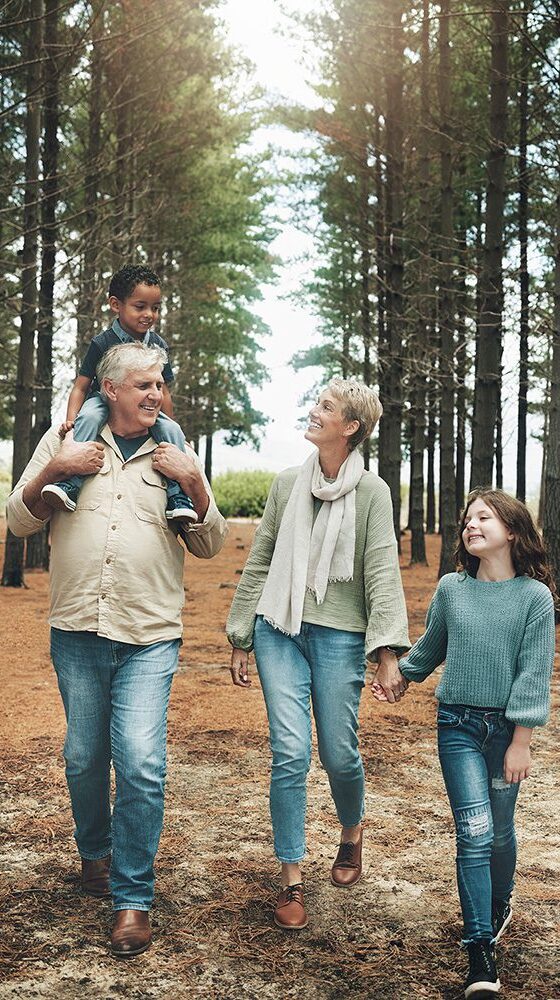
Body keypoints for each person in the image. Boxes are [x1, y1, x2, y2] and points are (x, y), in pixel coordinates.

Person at [6, 342, 228, 958]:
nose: (155, 394)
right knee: (82, 757)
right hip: (75, 628)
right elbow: (18, 521)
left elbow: (209, 546)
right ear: (109, 390)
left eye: (158, 384)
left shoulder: (176, 452)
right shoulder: (66, 440)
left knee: (139, 760)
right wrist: (54, 469)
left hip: (149, 635)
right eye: (142, 385)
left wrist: (194, 485)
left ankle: (133, 898)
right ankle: (95, 855)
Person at [226, 377, 410, 930]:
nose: (313, 411)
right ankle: (291, 878)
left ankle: (351, 833)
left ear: (350, 427)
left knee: (338, 752)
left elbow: (381, 570)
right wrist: (241, 632)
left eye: (325, 407)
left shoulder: (372, 492)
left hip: (339, 636)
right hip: (278, 629)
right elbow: (261, 558)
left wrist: (387, 653)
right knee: (289, 750)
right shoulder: (286, 484)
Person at [390, 489, 557, 999]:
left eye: (483, 517)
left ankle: (500, 903)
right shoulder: (451, 588)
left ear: (512, 529)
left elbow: (533, 675)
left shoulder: (535, 598)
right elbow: (430, 648)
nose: (471, 524)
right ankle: (480, 950)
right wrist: (396, 675)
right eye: (467, 518)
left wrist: (521, 742)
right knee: (474, 831)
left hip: (507, 731)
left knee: (500, 833)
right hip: (457, 726)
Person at [41, 263, 197, 522]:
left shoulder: (158, 344)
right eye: (140, 306)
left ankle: (178, 496)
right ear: (116, 305)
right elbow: (81, 385)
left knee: (172, 432)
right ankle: (70, 484)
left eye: (155, 308)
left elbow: (164, 391)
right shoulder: (102, 342)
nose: (149, 314)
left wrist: (171, 422)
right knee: (88, 419)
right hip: (101, 400)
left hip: (143, 407)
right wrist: (71, 419)